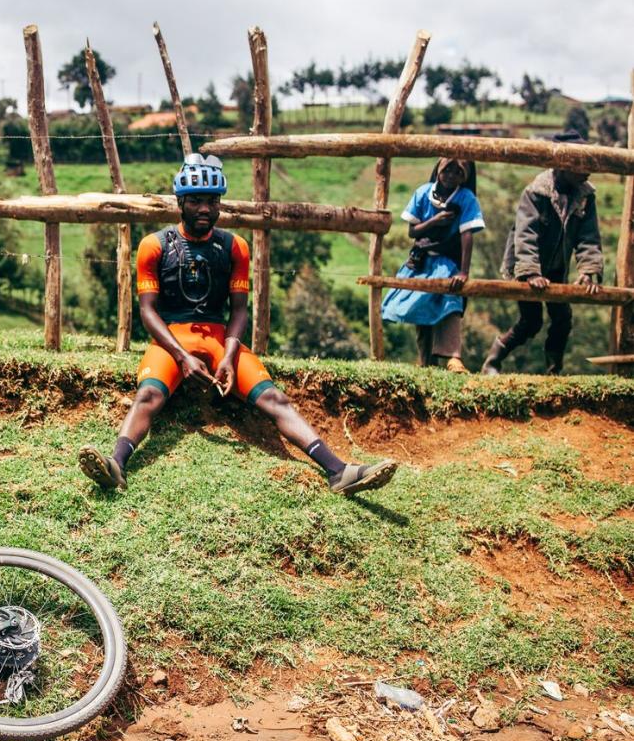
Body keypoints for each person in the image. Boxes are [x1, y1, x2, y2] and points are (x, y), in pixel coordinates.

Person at [78, 154, 397, 496]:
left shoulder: (234, 247)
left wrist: (229, 356)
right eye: (196, 201)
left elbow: (240, 310)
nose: (205, 209)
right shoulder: (153, 246)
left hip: (220, 340)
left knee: (275, 399)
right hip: (170, 341)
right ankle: (115, 465)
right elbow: (148, 312)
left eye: (212, 202)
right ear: (180, 202)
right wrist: (182, 357)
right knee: (149, 394)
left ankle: (339, 471)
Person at [481, 130, 604, 375]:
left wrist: (589, 270)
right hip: (526, 265)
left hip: (557, 267)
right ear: (563, 165)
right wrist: (529, 273)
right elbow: (525, 235)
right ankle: (493, 360)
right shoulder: (536, 193)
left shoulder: (585, 196)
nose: (587, 170)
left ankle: (553, 370)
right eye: (581, 164)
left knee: (562, 318)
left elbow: (588, 236)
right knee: (531, 321)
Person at [380, 158, 484, 371]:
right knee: (422, 303)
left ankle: (453, 357)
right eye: (447, 170)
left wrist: (463, 272)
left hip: (448, 262)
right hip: (422, 260)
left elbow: (467, 234)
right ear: (438, 169)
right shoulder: (423, 193)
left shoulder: (466, 198)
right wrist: (436, 220)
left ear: (465, 177)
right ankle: (426, 360)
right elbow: (413, 231)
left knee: (451, 302)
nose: (451, 176)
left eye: (458, 173)